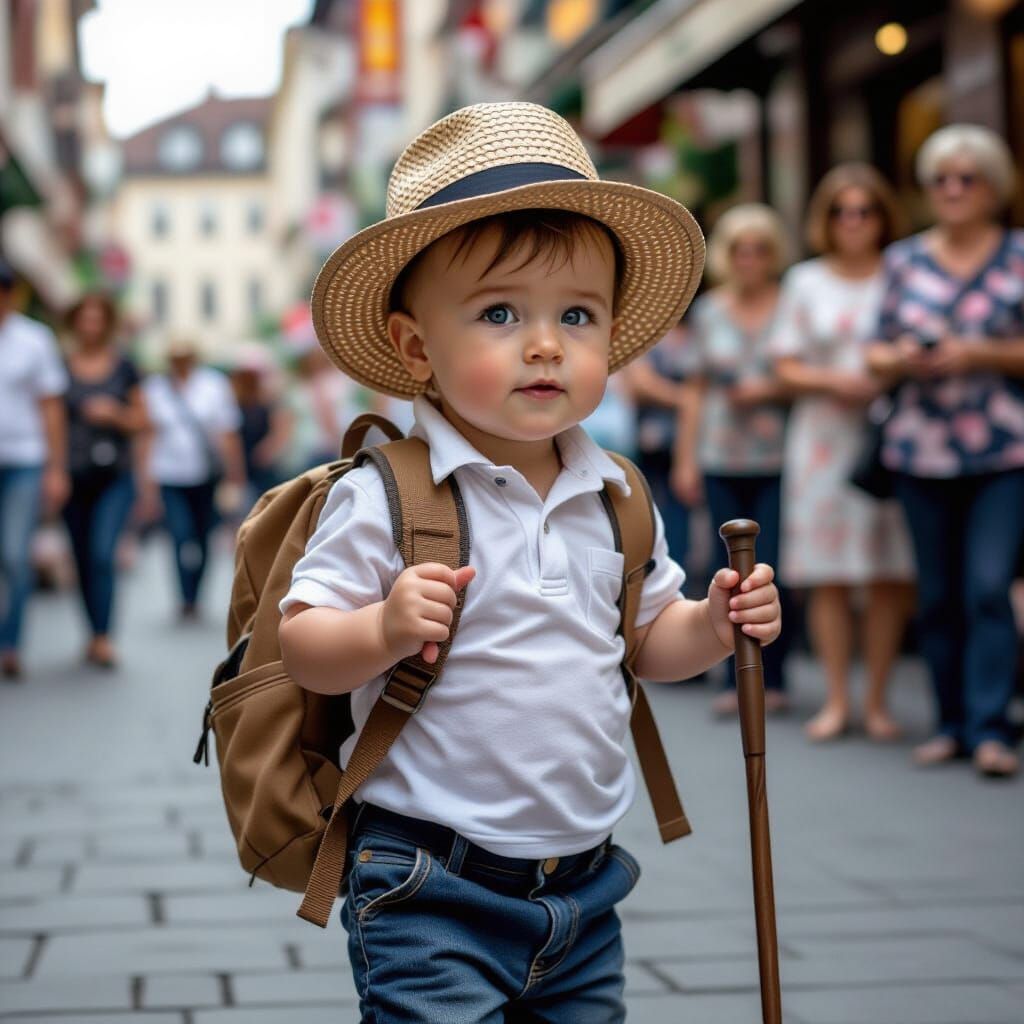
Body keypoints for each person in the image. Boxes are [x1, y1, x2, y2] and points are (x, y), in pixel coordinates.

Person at [278, 102, 781, 1022]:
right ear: (415, 346)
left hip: (586, 891)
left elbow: (644, 642)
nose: (546, 342)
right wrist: (381, 627)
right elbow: (304, 644)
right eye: (501, 313)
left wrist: (710, 625)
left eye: (577, 314)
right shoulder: (389, 492)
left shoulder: (615, 492)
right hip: (427, 883)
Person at [867, 125, 1024, 779]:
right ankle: (951, 723)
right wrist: (902, 359)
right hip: (918, 450)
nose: (955, 190)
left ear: (995, 187)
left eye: (969, 178)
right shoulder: (904, 259)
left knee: (988, 586)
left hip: (1004, 449)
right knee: (936, 594)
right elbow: (873, 354)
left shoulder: (1017, 253)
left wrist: (978, 353)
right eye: (942, 179)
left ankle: (992, 728)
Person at [772, 165, 916, 742]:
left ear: (883, 216)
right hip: (823, 437)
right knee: (827, 573)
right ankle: (836, 699)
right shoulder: (805, 281)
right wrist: (833, 382)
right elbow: (784, 363)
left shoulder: (903, 272)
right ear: (825, 220)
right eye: (841, 211)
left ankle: (877, 700)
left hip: (892, 435)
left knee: (888, 571)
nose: (853, 221)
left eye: (865, 210)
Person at [674, 204, 792, 715]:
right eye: (740, 249)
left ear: (773, 254)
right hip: (720, 454)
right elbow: (694, 391)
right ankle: (732, 676)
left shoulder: (791, 305)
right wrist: (685, 459)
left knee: (776, 567)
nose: (749, 259)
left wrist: (769, 388)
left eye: (760, 248)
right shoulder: (710, 311)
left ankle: (777, 674)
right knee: (728, 572)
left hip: (782, 456)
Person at [61, 293, 149, 668]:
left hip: (115, 476)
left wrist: (114, 414)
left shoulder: (124, 367)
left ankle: (104, 637)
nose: (91, 326)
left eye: (98, 318)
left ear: (107, 323)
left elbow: (143, 421)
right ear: (75, 322)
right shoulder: (59, 366)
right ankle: (92, 631)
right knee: (81, 558)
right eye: (85, 318)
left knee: (101, 553)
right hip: (72, 475)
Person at [141, 339, 245, 620]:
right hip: (169, 474)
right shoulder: (155, 389)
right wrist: (145, 480)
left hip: (206, 475)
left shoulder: (214, 385)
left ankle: (196, 594)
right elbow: (147, 434)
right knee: (179, 534)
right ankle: (184, 596)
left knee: (202, 537)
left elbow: (227, 431)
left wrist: (235, 472)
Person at [0, 260, 70, 679]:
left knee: (13, 553)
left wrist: (56, 468)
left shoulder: (33, 340)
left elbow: (51, 408)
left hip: (24, 460)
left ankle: (10, 642)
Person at [619, 321, 695, 574]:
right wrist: (685, 399)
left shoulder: (693, 331)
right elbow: (640, 383)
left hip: (682, 443)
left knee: (677, 520)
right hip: (648, 441)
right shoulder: (642, 332)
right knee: (644, 515)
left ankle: (672, 580)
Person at [228, 344, 292, 512]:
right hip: (245, 464)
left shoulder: (268, 399)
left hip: (264, 466)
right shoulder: (236, 400)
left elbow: (281, 428)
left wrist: (268, 450)